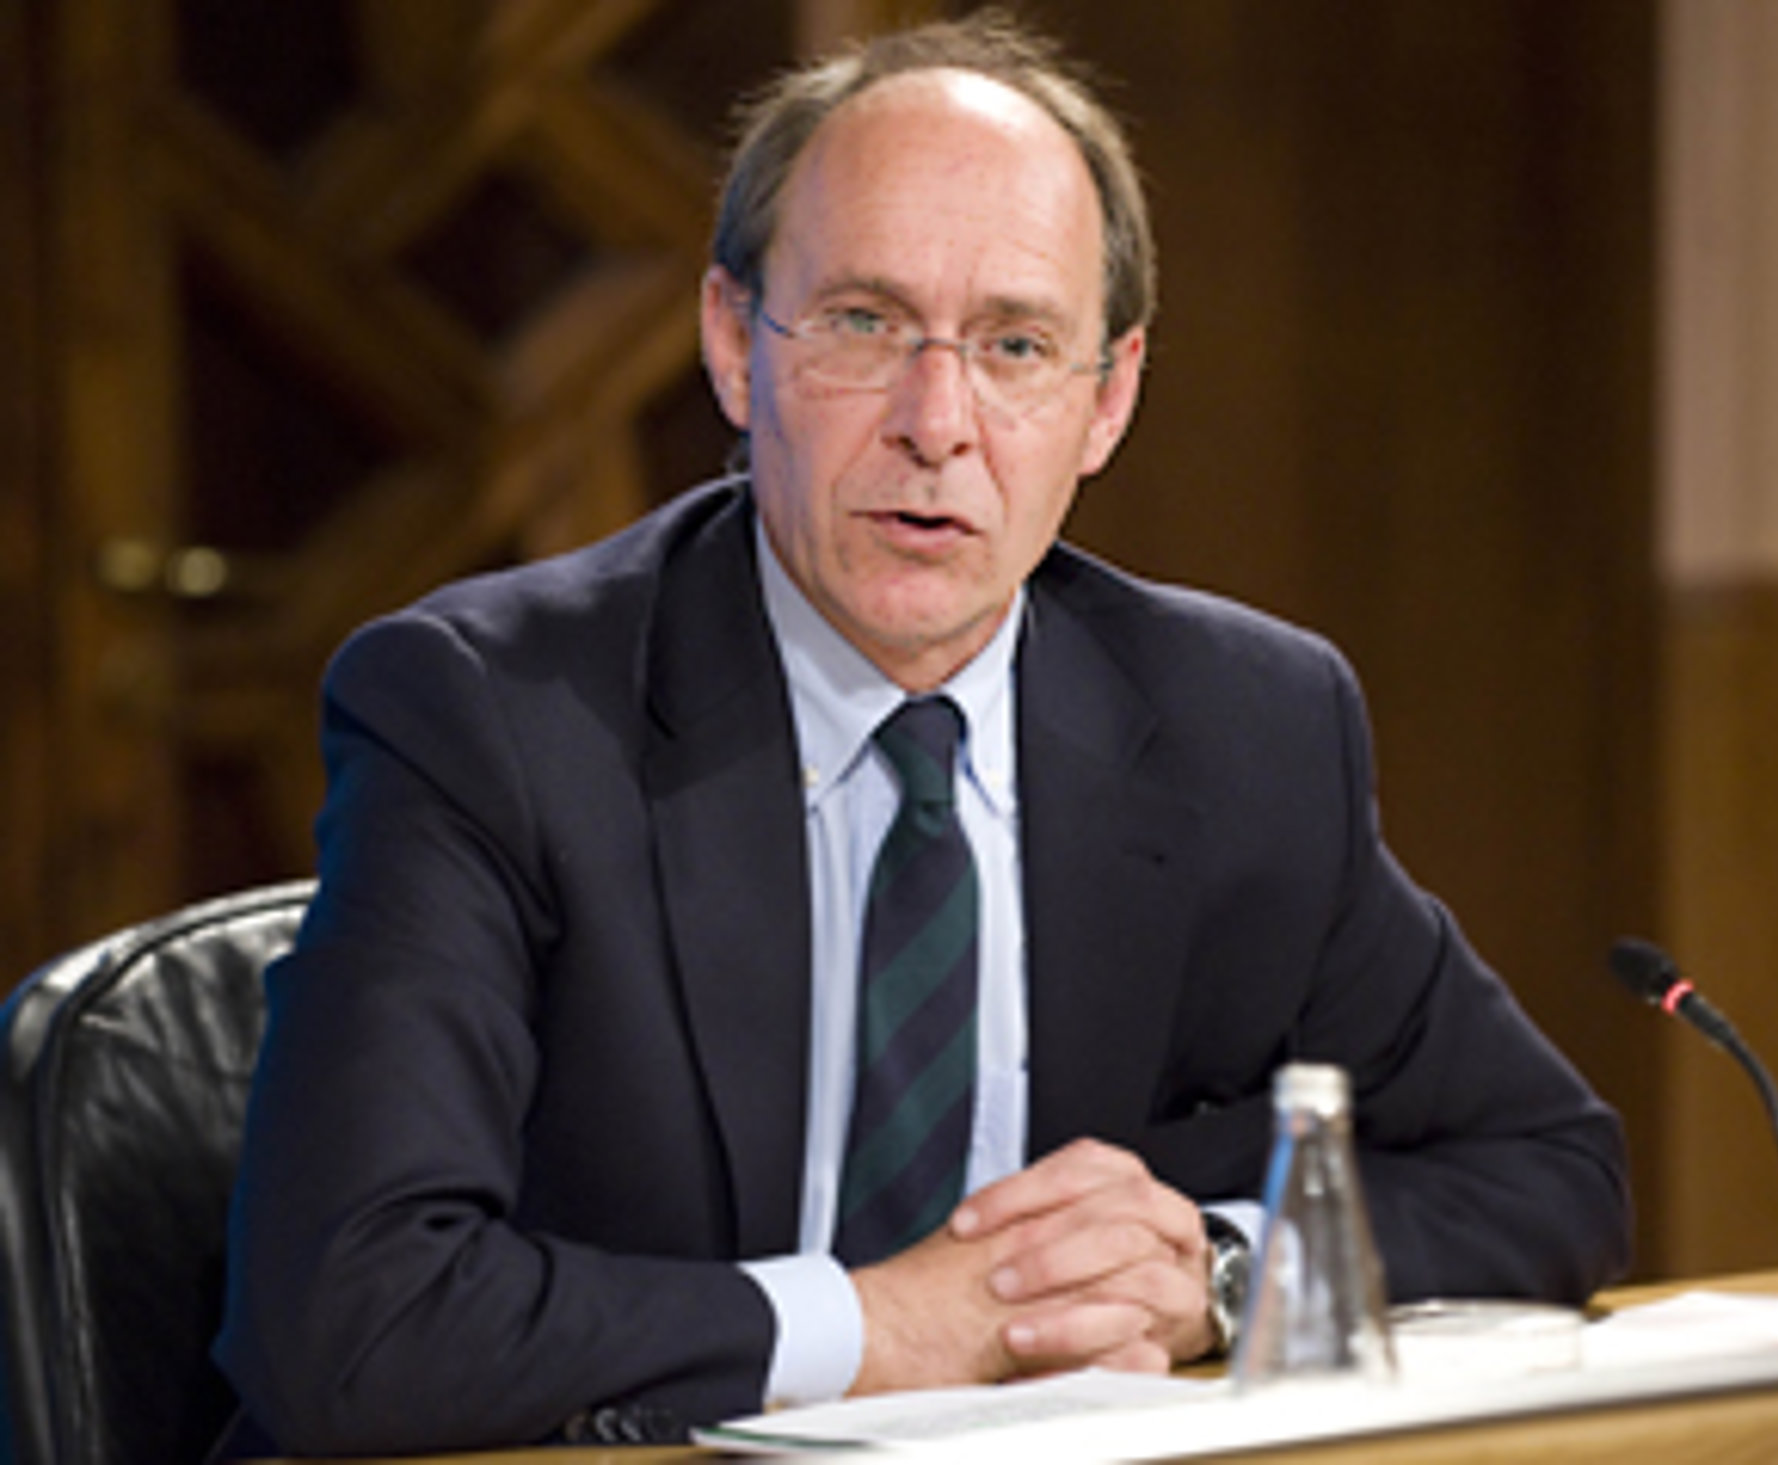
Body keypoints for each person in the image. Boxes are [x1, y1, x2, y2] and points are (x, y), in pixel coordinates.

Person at [212, 11, 1630, 1457]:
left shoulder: (1246, 728)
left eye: (1016, 345)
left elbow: (1546, 1169)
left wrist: (1210, 1270)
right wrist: (878, 1328)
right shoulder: (492, 713)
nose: (936, 421)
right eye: (864, 324)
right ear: (733, 344)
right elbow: (346, 1316)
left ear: (1108, 398)